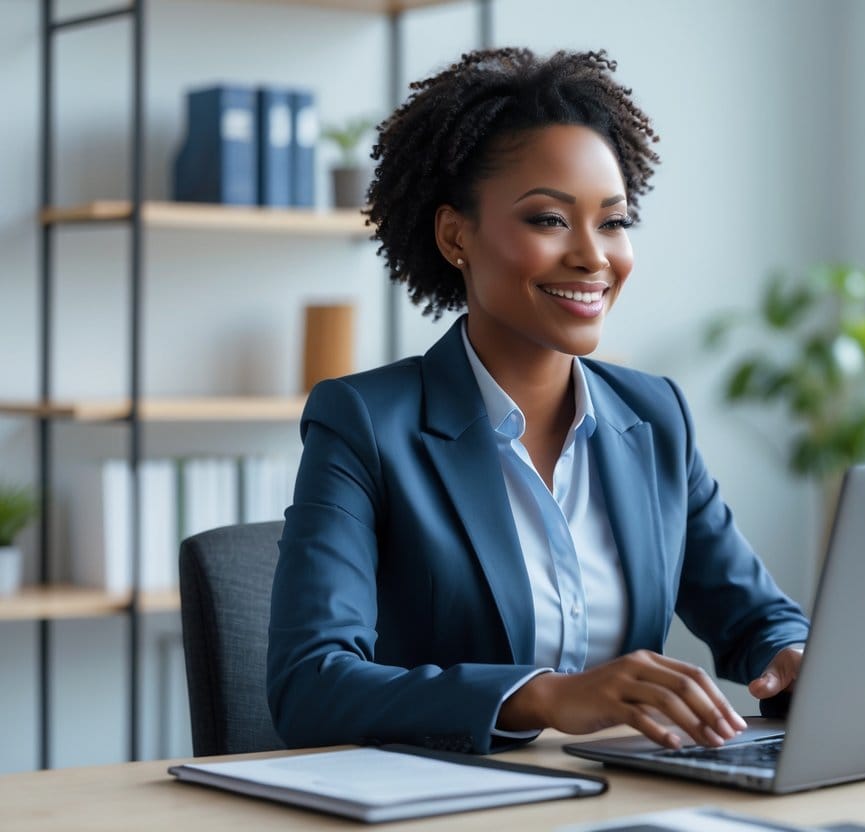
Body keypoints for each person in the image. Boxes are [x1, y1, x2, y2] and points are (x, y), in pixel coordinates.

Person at [267, 47, 810, 755]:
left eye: (612, 222)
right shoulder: (365, 424)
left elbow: (753, 619)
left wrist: (794, 662)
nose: (592, 256)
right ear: (455, 235)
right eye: (549, 220)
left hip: (619, 799)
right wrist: (544, 696)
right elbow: (310, 685)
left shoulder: (654, 417)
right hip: (448, 807)